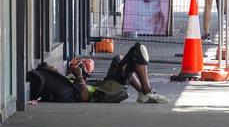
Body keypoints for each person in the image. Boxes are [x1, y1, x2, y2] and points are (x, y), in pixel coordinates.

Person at [27, 43, 168, 104]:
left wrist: (83, 73)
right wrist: (78, 76)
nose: (56, 69)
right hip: (106, 93)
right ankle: (147, 92)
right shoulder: (62, 87)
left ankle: (144, 93)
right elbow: (84, 97)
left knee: (119, 59)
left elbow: (84, 86)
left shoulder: (64, 80)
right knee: (137, 51)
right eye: (53, 69)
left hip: (104, 87)